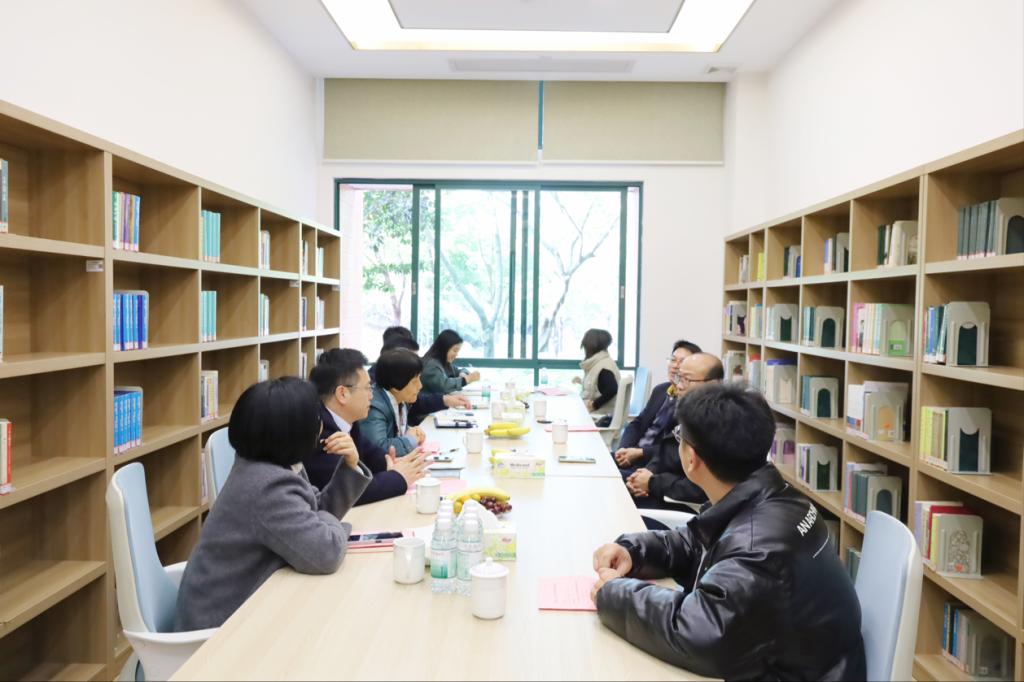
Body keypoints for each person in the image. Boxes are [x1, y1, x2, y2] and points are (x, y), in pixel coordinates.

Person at [591, 383, 866, 680]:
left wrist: (615, 594)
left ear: (691, 459)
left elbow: (701, 631)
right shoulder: (774, 497)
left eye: (679, 436)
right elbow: (696, 542)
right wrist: (634, 551)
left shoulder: (756, 548)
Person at [174, 377, 371, 631]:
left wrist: (350, 466)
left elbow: (315, 512)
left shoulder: (274, 464)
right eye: (315, 418)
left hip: (243, 607)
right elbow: (326, 553)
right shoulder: (268, 486)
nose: (321, 424)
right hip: (220, 628)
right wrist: (331, 526)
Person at [306, 349, 430, 504]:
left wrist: (395, 464)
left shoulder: (348, 422)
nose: (372, 395)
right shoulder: (320, 433)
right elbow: (351, 491)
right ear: (342, 394)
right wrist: (399, 477)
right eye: (367, 388)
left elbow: (373, 455)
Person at [625, 352, 722, 509]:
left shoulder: (719, 425)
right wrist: (643, 477)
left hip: (685, 506)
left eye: (687, 380)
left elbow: (702, 489)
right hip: (661, 489)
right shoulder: (688, 413)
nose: (679, 386)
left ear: (714, 384)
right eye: (679, 378)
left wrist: (652, 483)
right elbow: (666, 453)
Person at [613, 340, 701, 471]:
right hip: (631, 454)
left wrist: (639, 453)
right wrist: (623, 449)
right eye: (673, 360)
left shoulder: (693, 404)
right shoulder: (660, 390)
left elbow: (673, 448)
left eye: (682, 362)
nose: (675, 366)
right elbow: (638, 423)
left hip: (652, 465)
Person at [370, 329, 472, 420]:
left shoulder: (397, 391)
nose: (420, 385)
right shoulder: (375, 405)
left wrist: (445, 400)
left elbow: (417, 402)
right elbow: (443, 386)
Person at [360, 349, 427, 456]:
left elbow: (395, 432)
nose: (420, 386)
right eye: (414, 381)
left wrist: (412, 432)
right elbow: (380, 449)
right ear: (396, 385)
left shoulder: (400, 398)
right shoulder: (374, 408)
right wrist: (410, 440)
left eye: (419, 378)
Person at [421, 329, 481, 394]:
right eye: (455, 351)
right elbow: (444, 386)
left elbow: (459, 370)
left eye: (458, 351)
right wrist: (466, 380)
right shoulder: (431, 365)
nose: (456, 355)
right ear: (444, 348)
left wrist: (463, 373)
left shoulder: (444, 362)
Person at [577, 328, 620, 416]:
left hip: (599, 416)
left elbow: (612, 389)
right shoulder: (599, 363)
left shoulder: (604, 367)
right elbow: (598, 387)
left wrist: (594, 405)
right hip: (597, 414)